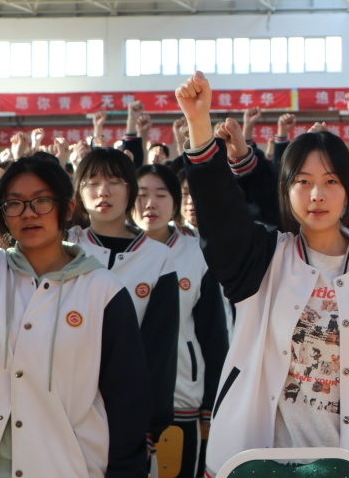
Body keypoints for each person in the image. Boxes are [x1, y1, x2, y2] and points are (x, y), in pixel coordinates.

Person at [175, 71, 349, 478]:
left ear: (348, 191)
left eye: (331, 181)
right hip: (259, 461)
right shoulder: (260, 259)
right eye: (303, 182)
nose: (317, 195)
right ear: (286, 191)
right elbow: (222, 214)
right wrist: (198, 123)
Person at [0, 144, 150, 477]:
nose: (28, 213)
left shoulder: (103, 291)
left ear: (67, 208)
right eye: (14, 203)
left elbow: (127, 401)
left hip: (66, 467)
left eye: (42, 200)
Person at [65, 147, 180, 455]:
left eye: (115, 181)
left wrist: (152, 421)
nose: (104, 191)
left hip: (127, 410)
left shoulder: (158, 258)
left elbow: (160, 347)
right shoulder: (65, 248)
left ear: (130, 190)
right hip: (65, 407)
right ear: (78, 192)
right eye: (92, 182)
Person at [134, 164, 229, 478]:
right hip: (120, 395)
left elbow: (213, 336)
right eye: (142, 194)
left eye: (161, 195)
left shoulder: (195, 254)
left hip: (182, 398)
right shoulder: (106, 255)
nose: (150, 203)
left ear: (175, 203)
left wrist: (209, 406)